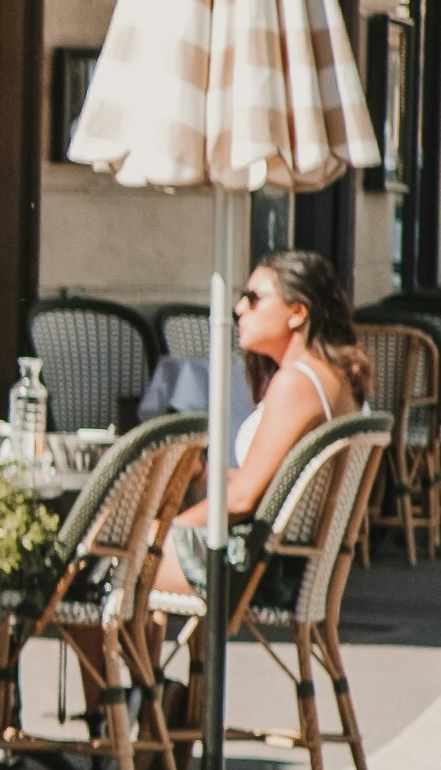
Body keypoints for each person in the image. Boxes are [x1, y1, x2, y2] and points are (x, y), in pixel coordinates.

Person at [156, 249, 366, 597]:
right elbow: (275, 483)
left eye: (253, 299)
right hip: (291, 561)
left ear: (297, 312)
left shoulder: (298, 382)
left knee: (96, 558)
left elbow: (243, 499)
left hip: (260, 567)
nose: (239, 308)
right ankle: (145, 654)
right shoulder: (331, 377)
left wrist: (167, 532)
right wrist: (204, 471)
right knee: (119, 548)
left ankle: (128, 654)